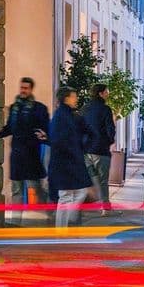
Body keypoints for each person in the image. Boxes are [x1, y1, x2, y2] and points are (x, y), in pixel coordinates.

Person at [0, 77, 50, 225]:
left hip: (31, 154)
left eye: (26, 88)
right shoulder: (14, 108)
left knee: (36, 188)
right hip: (18, 155)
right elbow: (10, 129)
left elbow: (46, 129)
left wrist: (45, 136)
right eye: (21, 87)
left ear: (31, 89)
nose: (23, 90)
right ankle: (15, 221)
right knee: (17, 189)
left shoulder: (39, 108)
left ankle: (48, 216)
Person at [48, 87, 94, 228]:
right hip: (65, 163)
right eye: (74, 96)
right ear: (66, 98)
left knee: (75, 193)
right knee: (67, 196)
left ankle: (66, 224)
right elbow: (60, 140)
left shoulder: (67, 115)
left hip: (67, 162)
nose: (76, 99)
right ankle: (62, 229)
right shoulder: (63, 116)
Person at [81, 84, 117, 216]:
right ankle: (105, 207)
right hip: (100, 149)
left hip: (86, 149)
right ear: (100, 94)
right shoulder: (105, 109)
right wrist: (109, 141)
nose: (108, 94)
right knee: (102, 180)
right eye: (106, 91)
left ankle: (85, 206)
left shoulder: (84, 108)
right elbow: (110, 129)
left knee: (90, 178)